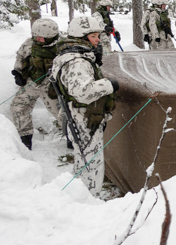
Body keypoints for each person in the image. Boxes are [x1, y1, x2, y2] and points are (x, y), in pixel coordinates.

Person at [51, 16, 118, 196]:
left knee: (83, 159)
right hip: (84, 117)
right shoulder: (77, 61)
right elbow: (83, 92)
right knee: (92, 163)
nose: (98, 40)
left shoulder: (69, 54)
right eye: (93, 36)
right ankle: (90, 199)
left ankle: (80, 193)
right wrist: (109, 84)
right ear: (81, 37)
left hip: (79, 115)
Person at [10, 18, 61, 150]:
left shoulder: (61, 46)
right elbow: (20, 57)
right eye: (35, 36)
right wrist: (18, 72)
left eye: (40, 37)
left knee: (61, 113)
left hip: (51, 86)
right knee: (18, 107)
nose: (37, 39)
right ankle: (25, 140)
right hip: (31, 83)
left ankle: (72, 139)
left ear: (50, 37)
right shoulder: (29, 43)